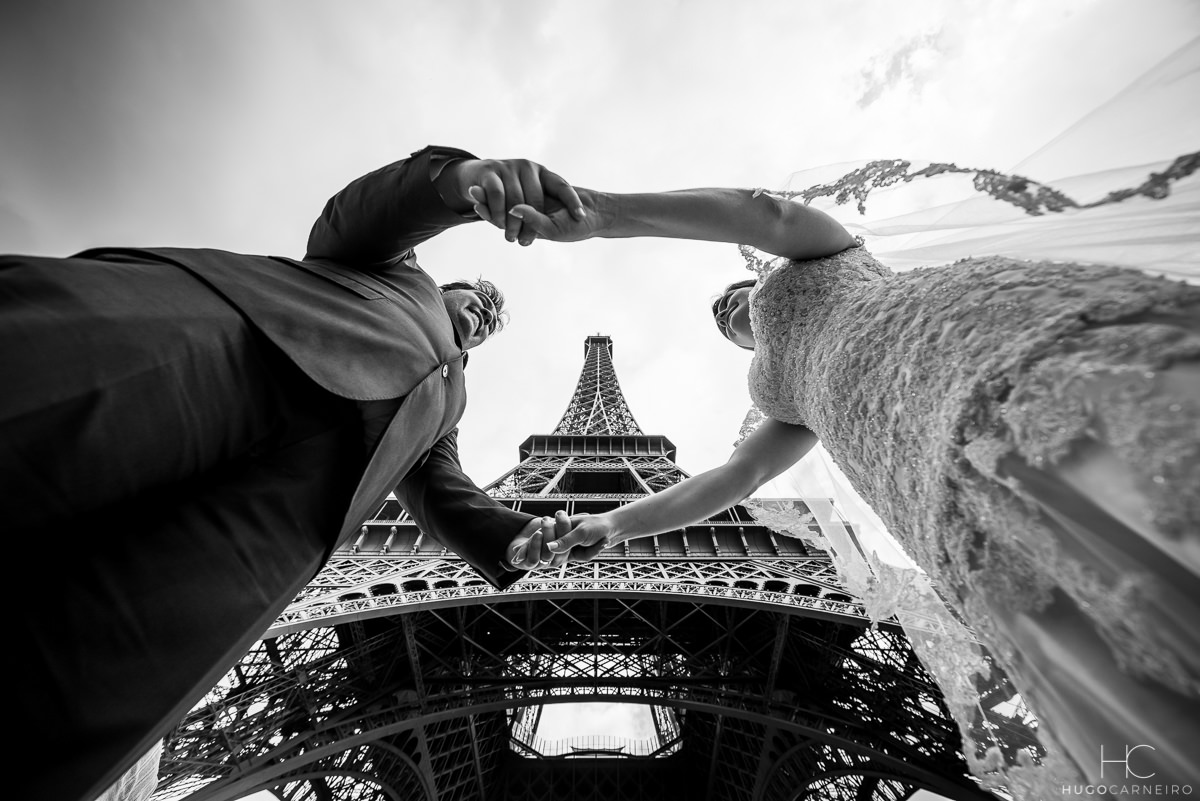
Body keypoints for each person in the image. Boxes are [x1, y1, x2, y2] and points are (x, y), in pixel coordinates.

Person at [492, 153, 1200, 796]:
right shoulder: (775, 394)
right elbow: (736, 479)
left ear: (764, 279)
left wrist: (605, 213)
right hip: (920, 473)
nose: (730, 309)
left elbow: (761, 212)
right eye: (722, 317)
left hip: (972, 340)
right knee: (1086, 621)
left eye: (738, 295)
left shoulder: (819, 253)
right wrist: (614, 522)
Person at [2, 145, 584, 801]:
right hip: (245, 350)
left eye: (488, 322)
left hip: (281, 510)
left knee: (102, 667)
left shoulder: (449, 402)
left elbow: (442, 491)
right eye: (475, 300)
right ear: (445, 286)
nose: (480, 316)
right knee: (37, 409)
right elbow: (361, 213)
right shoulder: (393, 267)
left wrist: (511, 536)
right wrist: (457, 182)